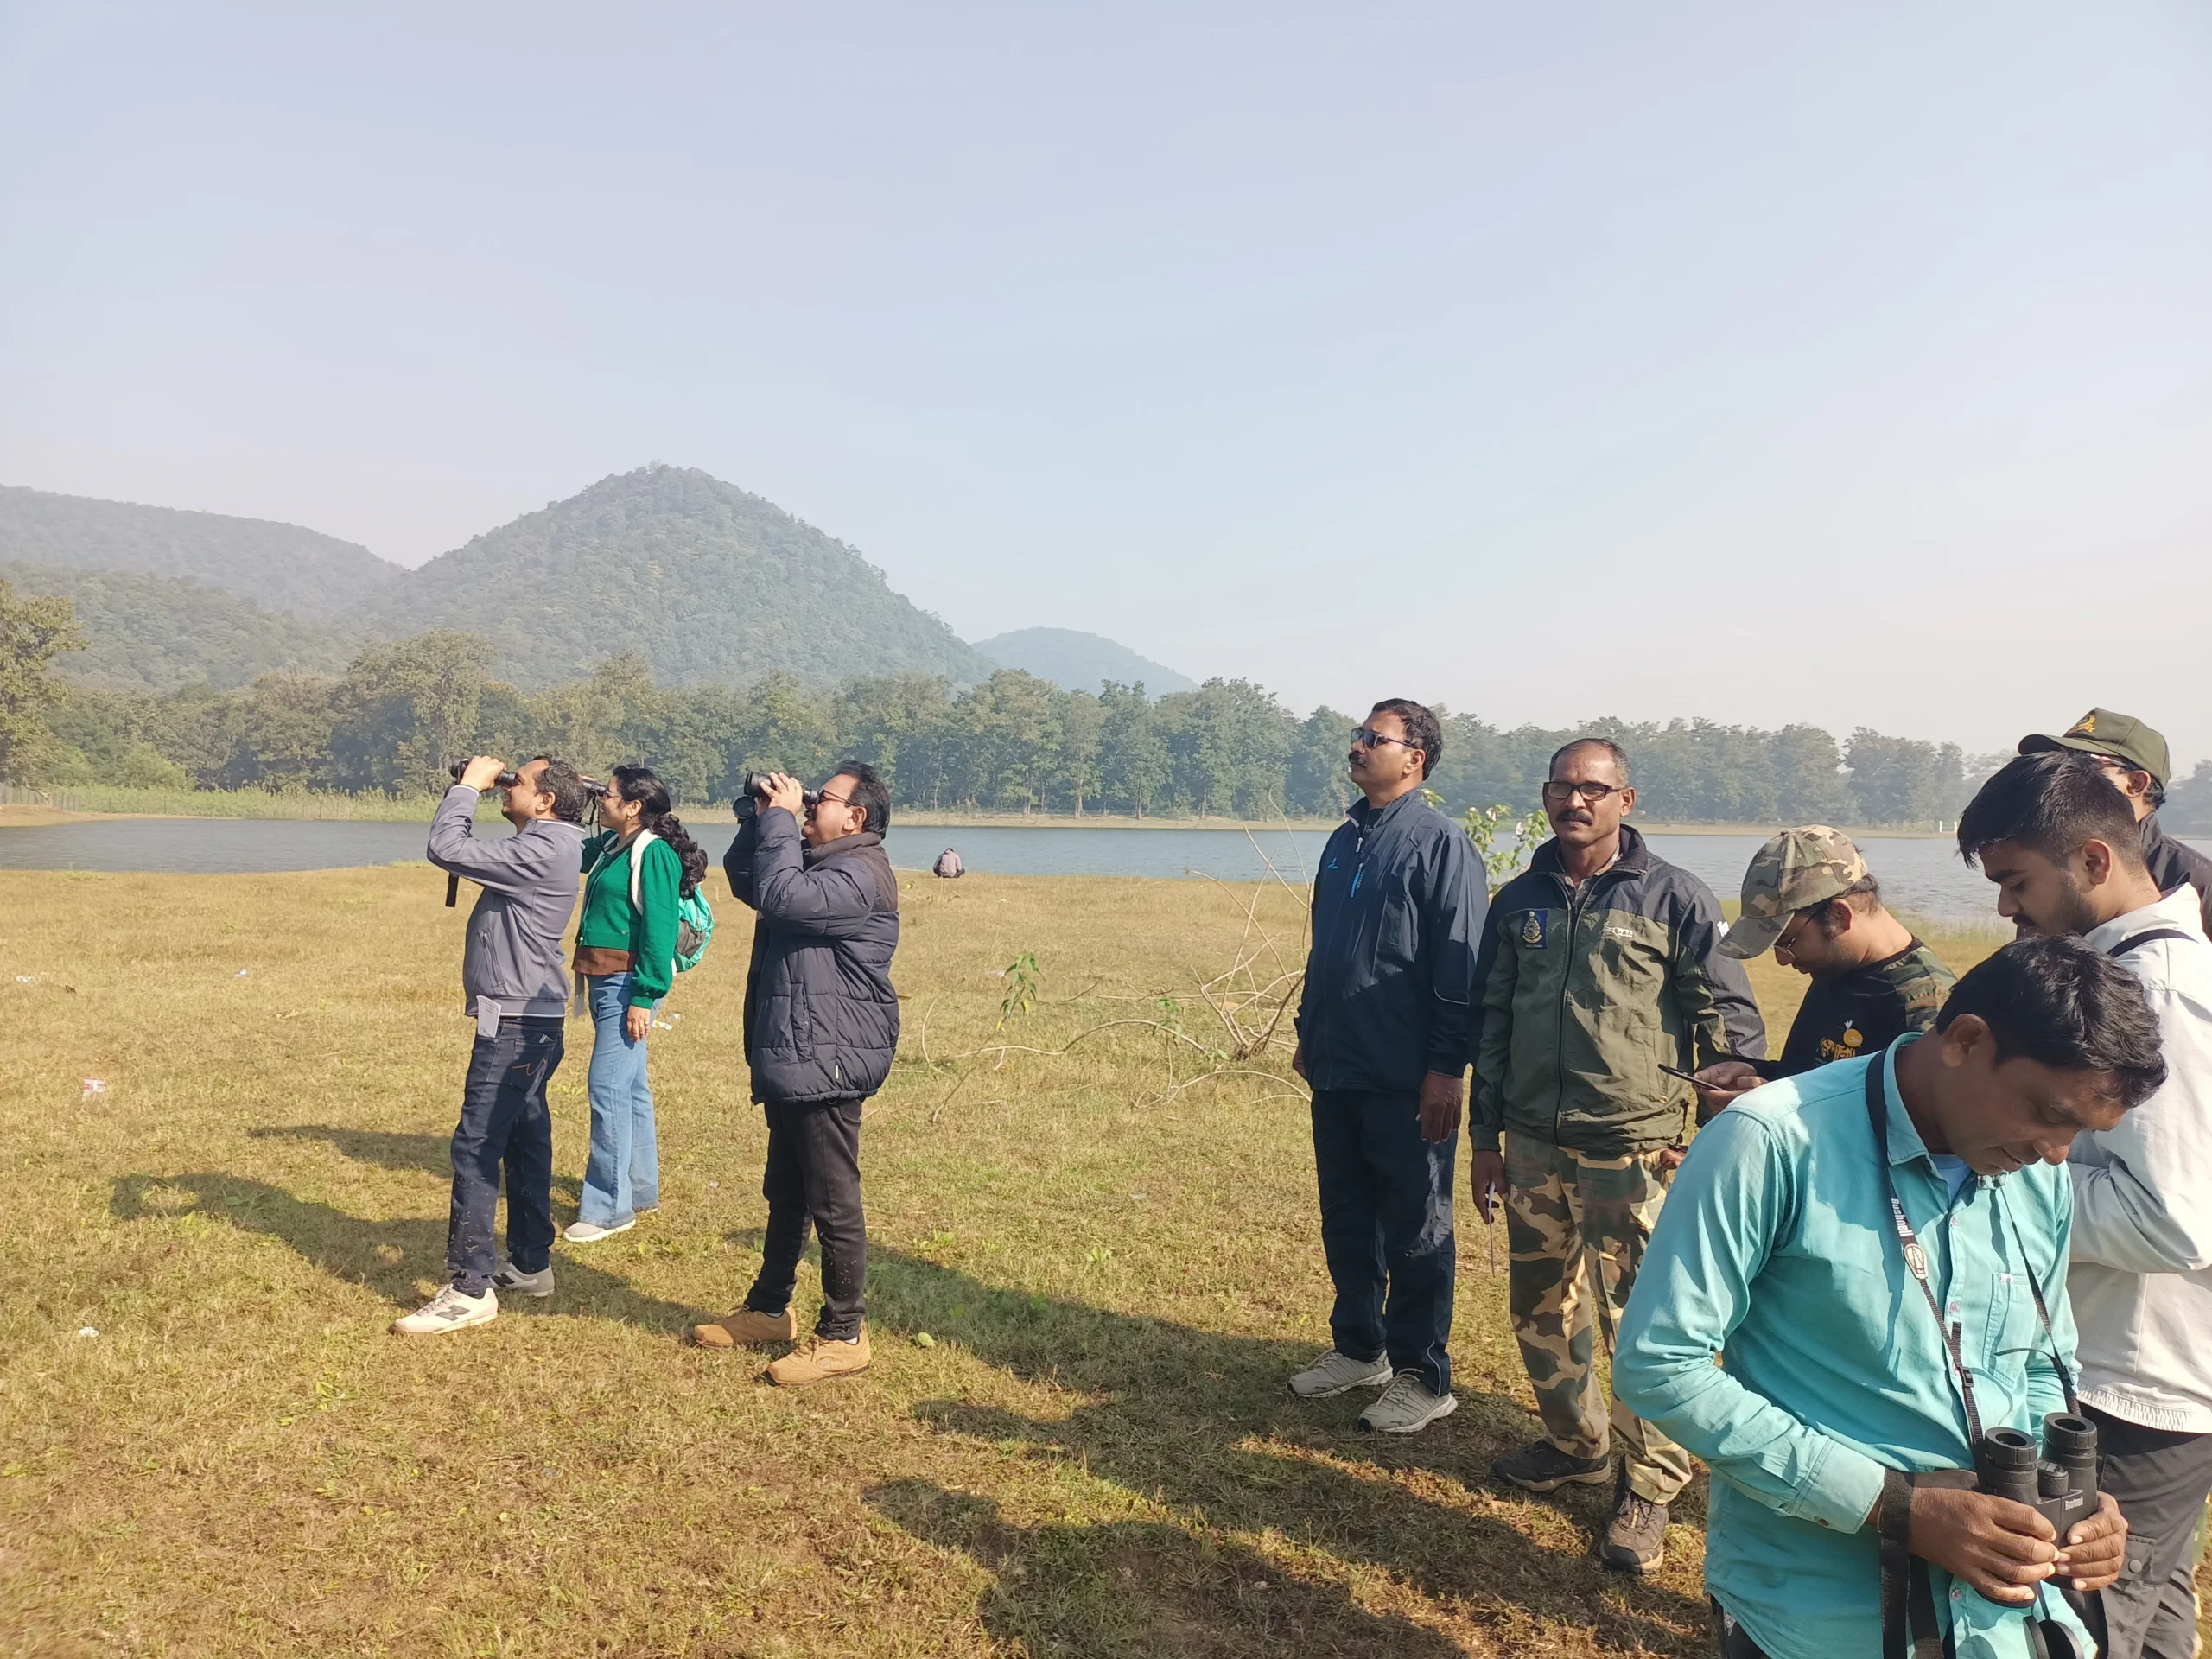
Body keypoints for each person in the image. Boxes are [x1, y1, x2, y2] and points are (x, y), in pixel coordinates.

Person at [1617, 937, 2155, 1659]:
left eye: (2080, 1132)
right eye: (2046, 1113)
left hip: (2005, 1622)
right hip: (1821, 1617)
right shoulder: (1770, 1141)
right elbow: (1659, 1365)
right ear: (1966, 1041)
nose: (2058, 1153)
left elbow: (2039, 1361)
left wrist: (2073, 1501)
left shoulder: (2034, 1169)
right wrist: (1895, 1507)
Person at [1469, 736, 1766, 1574]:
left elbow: (1728, 1024)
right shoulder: (1518, 901)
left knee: (1643, 1326)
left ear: (1625, 801)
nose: (1576, 802)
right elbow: (1492, 1023)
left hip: (1634, 1149)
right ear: (1544, 796)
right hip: (1532, 1144)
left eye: (1593, 789)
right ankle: (1576, 1446)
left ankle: (1651, 1484)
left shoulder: (1672, 896)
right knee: (1540, 1308)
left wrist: (1716, 1132)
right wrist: (1485, 1139)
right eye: (1561, 787)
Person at [1958, 751, 2212, 1659]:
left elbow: (2169, 1219)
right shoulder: (2126, 972)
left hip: (2133, 1382)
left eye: (2016, 881)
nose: (2005, 908)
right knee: (2152, 1612)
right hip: (2132, 1365)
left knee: (2082, 1616)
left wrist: (1996, 1159)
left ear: (2094, 860)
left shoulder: (2159, 990)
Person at [1287, 699, 1485, 1435]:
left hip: (1406, 1074)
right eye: (1358, 735)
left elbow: (1460, 967)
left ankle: (1423, 1375)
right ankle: (1359, 1347)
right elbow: (1325, 949)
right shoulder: (1344, 841)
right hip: (1339, 1062)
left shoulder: (1441, 845)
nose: (1358, 746)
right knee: (1346, 1213)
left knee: (1416, 1225)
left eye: (1375, 738)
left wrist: (1445, 1069)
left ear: (1415, 759)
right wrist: (1309, 1030)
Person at [692, 760, 899, 1386]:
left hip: (829, 1053)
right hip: (799, 1047)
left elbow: (784, 897)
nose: (810, 805)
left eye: (822, 799)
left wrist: (783, 822)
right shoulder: (820, 861)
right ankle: (768, 1310)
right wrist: (760, 817)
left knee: (833, 1201)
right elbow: (751, 879)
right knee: (786, 1190)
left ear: (855, 816)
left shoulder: (860, 874)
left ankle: (844, 1334)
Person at [397, 754, 589, 1336]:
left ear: (546, 801)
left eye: (517, 783)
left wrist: (466, 788)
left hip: (516, 1023)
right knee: (525, 1141)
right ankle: (530, 1263)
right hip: (527, 1017)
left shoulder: (544, 848)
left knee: (476, 1145)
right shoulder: (547, 843)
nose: (506, 788)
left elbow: (446, 848)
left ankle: (470, 1287)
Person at [1690, 826, 1955, 1112]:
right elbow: (1815, 1075)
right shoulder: (1836, 969)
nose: (1783, 960)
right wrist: (1760, 1075)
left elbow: (1909, 1125)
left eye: (1787, 941)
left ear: (1840, 916)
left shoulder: (1927, 1005)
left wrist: (1777, 1105)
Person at [563, 764, 709, 1244]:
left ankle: (609, 1208)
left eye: (607, 794)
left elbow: (660, 930)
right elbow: (568, 851)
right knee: (629, 1087)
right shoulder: (613, 844)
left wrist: (644, 996)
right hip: (607, 980)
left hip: (628, 983)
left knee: (606, 1086)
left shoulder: (655, 852)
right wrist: (571, 793)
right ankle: (640, 1188)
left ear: (633, 807)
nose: (601, 800)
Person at [2018, 707, 2212, 934]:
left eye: (2080, 766)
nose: (2060, 778)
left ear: (2136, 783)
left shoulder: (2195, 878)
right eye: (2057, 764)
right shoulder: (2047, 861)